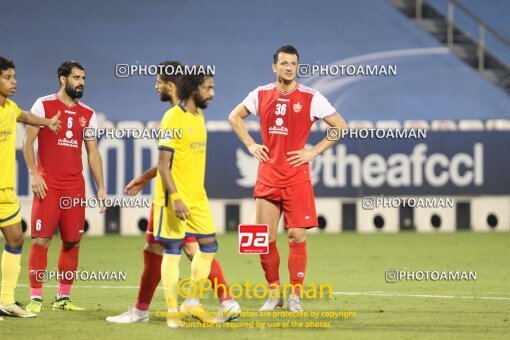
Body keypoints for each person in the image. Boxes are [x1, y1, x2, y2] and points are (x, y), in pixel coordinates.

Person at [106, 61, 240, 324]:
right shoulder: (179, 116)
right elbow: (168, 162)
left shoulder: (191, 114)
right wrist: (146, 178)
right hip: (170, 196)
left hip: (177, 198)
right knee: (160, 248)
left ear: (171, 86)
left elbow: (172, 162)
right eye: (209, 88)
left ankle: (216, 301)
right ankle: (154, 309)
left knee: (186, 249)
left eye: (158, 82)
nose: (155, 86)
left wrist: (172, 194)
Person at [228, 45, 347, 312]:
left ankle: (295, 296)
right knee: (264, 239)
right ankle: (273, 295)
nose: (289, 68)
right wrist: (250, 145)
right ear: (275, 67)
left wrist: (314, 152)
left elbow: (340, 126)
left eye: (293, 63)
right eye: (284, 63)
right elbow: (234, 116)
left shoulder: (311, 97)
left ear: (297, 67)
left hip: (296, 177)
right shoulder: (260, 94)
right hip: (268, 176)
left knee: (296, 236)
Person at [24, 61, 106, 312]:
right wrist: (34, 173)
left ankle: (63, 298)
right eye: (76, 77)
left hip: (75, 189)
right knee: (40, 241)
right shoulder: (43, 105)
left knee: (72, 243)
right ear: (62, 79)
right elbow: (28, 143)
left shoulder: (88, 114)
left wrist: (101, 188)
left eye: (83, 78)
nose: (81, 82)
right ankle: (35, 298)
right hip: (47, 186)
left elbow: (93, 153)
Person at [0, 56, 61, 318]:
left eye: (14, 76)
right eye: (8, 77)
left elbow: (25, 116)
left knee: (15, 239)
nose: (14, 81)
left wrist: (47, 122)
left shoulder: (10, 108)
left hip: (5, 193)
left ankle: (6, 301)